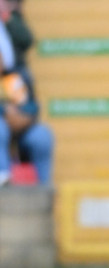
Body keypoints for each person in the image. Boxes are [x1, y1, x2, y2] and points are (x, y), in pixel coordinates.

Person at [0, 0, 53, 186]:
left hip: (17, 131)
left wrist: (22, 118)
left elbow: (30, 109)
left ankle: (43, 193)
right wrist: (5, 112)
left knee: (42, 136)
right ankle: (3, 178)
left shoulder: (10, 79)